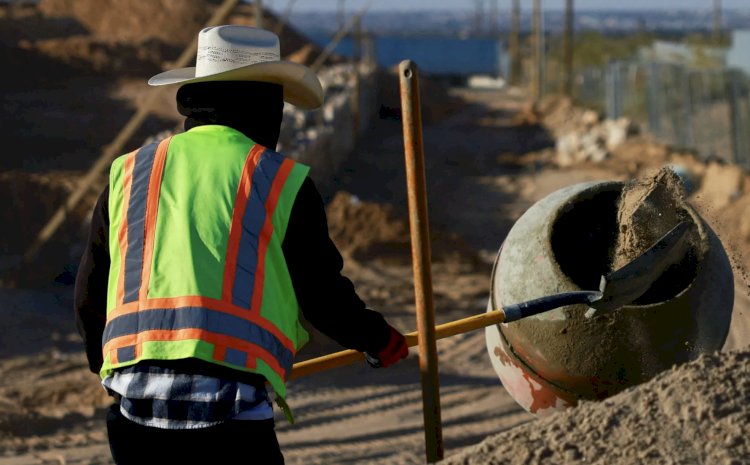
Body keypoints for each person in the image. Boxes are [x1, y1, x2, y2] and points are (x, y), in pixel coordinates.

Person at [74, 25, 408, 465]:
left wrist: (115, 371)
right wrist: (378, 339)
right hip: (229, 415)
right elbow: (322, 296)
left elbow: (90, 292)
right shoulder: (279, 181)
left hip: (133, 416)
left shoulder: (130, 173)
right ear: (263, 103)